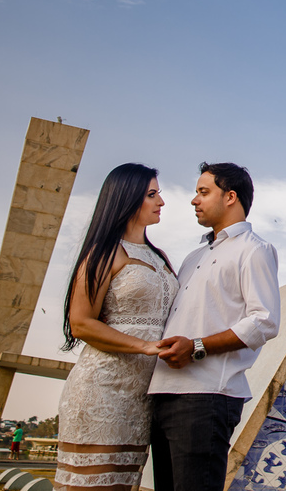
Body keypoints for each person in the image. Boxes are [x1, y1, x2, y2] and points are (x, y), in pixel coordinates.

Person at [149, 162, 281, 491]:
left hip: (205, 397)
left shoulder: (254, 250)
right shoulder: (193, 257)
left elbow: (264, 321)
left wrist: (197, 346)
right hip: (163, 393)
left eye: (203, 192)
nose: (194, 200)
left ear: (231, 197)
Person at [55, 163, 178, 490]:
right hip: (102, 390)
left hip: (141, 398)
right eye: (152, 194)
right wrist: (144, 346)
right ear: (127, 198)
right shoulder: (104, 253)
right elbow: (80, 323)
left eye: (158, 194)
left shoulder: (161, 256)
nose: (161, 202)